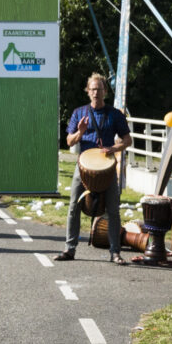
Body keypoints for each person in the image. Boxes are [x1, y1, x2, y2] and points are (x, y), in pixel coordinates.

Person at [53, 72, 131, 263]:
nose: (96, 93)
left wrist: (114, 148)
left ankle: (115, 252)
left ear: (105, 91)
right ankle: (69, 249)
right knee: (73, 207)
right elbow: (69, 141)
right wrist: (80, 132)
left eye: (99, 89)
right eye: (93, 89)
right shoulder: (79, 113)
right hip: (83, 168)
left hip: (107, 168)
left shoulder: (115, 114)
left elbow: (127, 140)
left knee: (113, 210)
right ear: (87, 91)